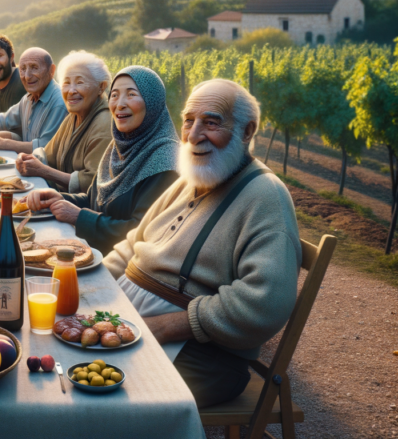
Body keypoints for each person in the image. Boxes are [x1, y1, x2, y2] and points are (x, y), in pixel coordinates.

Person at [104, 79, 302, 408]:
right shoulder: (192, 177)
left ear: (247, 131)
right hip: (133, 321)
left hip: (203, 355)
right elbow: (133, 244)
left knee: (98, 393)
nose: (194, 135)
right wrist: (93, 284)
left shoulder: (266, 195)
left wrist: (167, 327)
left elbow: (265, 303)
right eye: (189, 121)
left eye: (211, 122)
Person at [26, 66, 179, 254]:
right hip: (95, 254)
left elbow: (142, 233)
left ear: (153, 102)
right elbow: (95, 200)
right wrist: (59, 199)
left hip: (123, 269)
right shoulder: (118, 146)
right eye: (114, 95)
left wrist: (79, 217)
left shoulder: (164, 161)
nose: (119, 104)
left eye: (131, 95)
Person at [18, 50, 111, 192]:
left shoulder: (105, 124)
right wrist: (29, 160)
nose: (71, 90)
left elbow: (93, 182)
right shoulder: (73, 117)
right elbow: (48, 155)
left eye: (80, 82)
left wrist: (43, 171)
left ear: (101, 87)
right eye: (66, 83)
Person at [0, 47, 65, 154]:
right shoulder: (28, 98)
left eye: (34, 67)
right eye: (23, 69)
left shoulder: (59, 103)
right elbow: (4, 119)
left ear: (51, 70)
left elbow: (45, 147)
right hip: (28, 161)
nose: (27, 76)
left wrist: (3, 143)